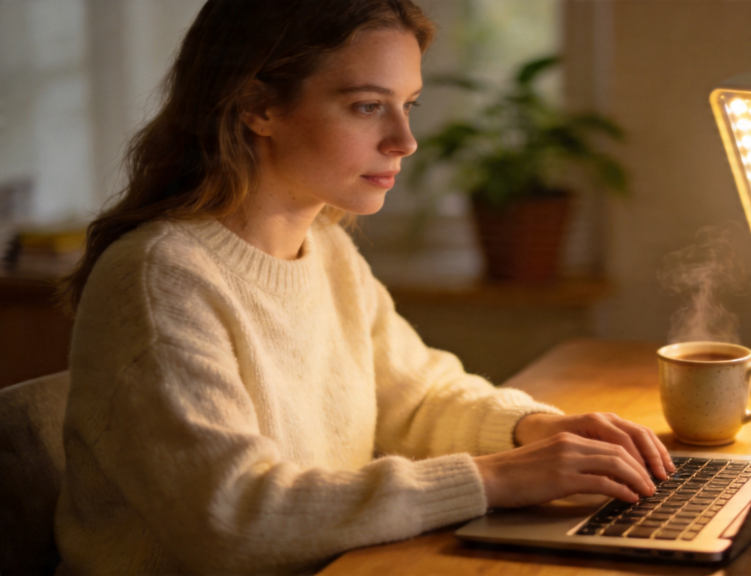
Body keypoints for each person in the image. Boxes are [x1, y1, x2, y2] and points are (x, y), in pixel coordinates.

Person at [54, 1, 674, 573]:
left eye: (410, 104)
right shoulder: (160, 277)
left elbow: (417, 396)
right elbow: (232, 516)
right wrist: (492, 479)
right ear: (256, 106)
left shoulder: (327, 248)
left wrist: (534, 430)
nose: (404, 141)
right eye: (367, 106)